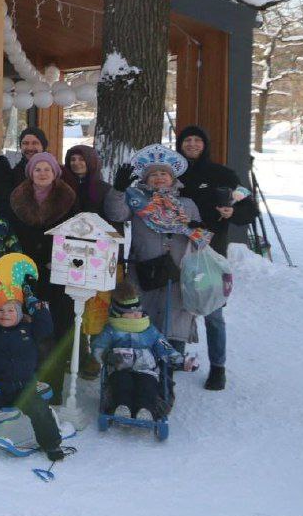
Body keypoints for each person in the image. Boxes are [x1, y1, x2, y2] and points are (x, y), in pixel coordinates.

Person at [175, 125, 257, 391]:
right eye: (187, 140)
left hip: (210, 250)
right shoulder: (172, 172)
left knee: (212, 311)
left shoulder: (222, 174)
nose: (192, 144)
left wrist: (233, 213)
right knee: (176, 306)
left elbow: (248, 206)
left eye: (198, 140)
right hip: (176, 248)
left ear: (205, 145)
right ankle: (174, 357)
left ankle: (218, 367)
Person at [104, 150, 203, 358]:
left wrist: (195, 228)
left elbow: (201, 241)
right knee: (142, 323)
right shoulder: (137, 201)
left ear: (172, 178)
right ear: (146, 179)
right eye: (153, 174)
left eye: (163, 174)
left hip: (177, 275)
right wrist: (118, 190)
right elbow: (115, 213)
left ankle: (169, 378)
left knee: (174, 323)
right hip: (144, 273)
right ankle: (146, 374)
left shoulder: (188, 204)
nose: (159, 178)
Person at [0, 284, 74, 463]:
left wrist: (35, 304)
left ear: (20, 313)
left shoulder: (29, 330)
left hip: (24, 387)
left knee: (40, 410)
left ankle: (51, 444)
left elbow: (46, 327)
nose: (5, 314)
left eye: (10, 310)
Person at [8, 151, 78, 401]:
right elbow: (11, 234)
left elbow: (76, 235)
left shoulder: (68, 199)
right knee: (27, 327)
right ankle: (26, 385)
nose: (42, 173)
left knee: (56, 329)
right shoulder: (17, 198)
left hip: (57, 273)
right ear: (30, 173)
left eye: (47, 169)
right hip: (25, 273)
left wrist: (60, 258)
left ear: (55, 172)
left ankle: (54, 388)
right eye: (37, 169)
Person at [93, 287, 194, 420]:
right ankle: (122, 406)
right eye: (131, 313)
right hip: (120, 369)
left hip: (147, 371)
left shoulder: (150, 330)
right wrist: (107, 356)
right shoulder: (111, 331)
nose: (137, 315)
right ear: (119, 314)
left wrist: (182, 361)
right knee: (122, 384)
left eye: (138, 311)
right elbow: (97, 348)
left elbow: (165, 348)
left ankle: (145, 409)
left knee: (147, 387)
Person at [62, 144, 106, 215]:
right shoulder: (64, 185)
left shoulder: (102, 188)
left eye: (81, 159)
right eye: (73, 159)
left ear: (91, 161)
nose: (76, 163)